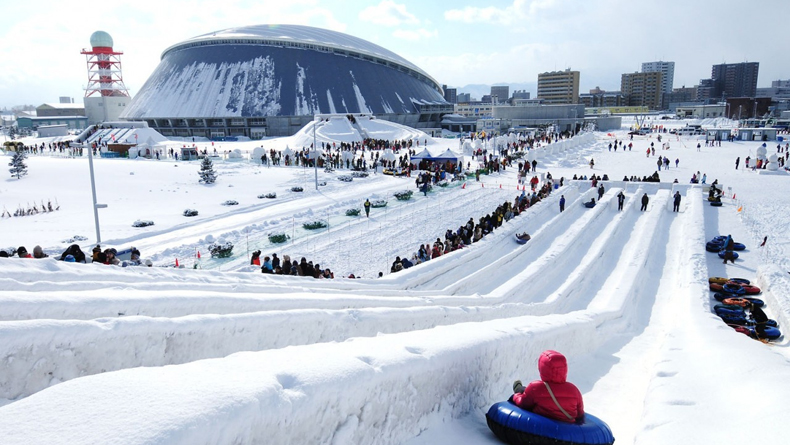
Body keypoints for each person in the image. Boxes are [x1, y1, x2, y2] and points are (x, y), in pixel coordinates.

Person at [512, 350, 584, 423]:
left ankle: (519, 389)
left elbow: (523, 404)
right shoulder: (574, 390)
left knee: (525, 394)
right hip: (568, 432)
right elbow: (580, 414)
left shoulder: (535, 387)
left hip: (539, 429)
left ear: (543, 369)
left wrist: (516, 395)